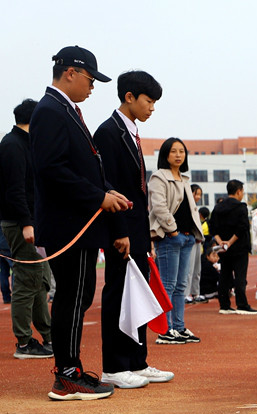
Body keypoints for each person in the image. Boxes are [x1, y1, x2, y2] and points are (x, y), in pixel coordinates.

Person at [31, 46, 131, 400]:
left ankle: (70, 368)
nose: (93, 88)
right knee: (73, 297)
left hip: (80, 222)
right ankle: (67, 375)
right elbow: (52, 168)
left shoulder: (65, 110)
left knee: (79, 295)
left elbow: (84, 166)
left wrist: (108, 192)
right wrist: (98, 197)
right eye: (91, 79)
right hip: (67, 224)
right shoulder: (50, 111)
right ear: (71, 72)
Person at [94, 70, 174, 387]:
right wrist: (119, 231)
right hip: (121, 231)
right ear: (129, 97)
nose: (152, 107)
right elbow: (109, 186)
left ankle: (137, 362)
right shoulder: (108, 133)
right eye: (149, 101)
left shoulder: (131, 131)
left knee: (138, 295)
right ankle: (114, 367)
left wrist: (144, 235)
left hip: (138, 231)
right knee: (118, 294)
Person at [0, 98, 53, 359]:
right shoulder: (12, 145)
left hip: (32, 222)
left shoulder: (26, 144)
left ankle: (48, 335)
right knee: (25, 281)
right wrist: (27, 223)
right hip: (21, 223)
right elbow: (15, 190)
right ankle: (23, 342)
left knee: (39, 281)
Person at [148, 137, 204, 343]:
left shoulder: (184, 179)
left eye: (182, 151)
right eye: (173, 151)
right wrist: (173, 231)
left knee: (182, 286)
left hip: (187, 238)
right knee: (168, 285)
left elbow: (191, 209)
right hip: (170, 238)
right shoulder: (158, 177)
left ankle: (179, 327)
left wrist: (194, 234)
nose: (179, 155)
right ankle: (165, 329)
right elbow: (159, 207)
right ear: (165, 154)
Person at [209, 180, 257, 315]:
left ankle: (224, 305)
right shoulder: (241, 207)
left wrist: (221, 243)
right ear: (238, 191)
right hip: (239, 247)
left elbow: (212, 227)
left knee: (224, 275)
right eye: (242, 191)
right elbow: (242, 227)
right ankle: (242, 304)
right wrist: (230, 242)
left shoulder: (218, 207)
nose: (242, 194)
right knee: (240, 276)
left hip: (224, 249)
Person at [185, 184, 205, 304]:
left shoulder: (195, 208)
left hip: (198, 241)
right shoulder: (187, 206)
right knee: (189, 269)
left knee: (197, 268)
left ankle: (195, 292)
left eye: (199, 195)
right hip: (191, 240)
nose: (198, 197)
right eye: (196, 194)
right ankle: (186, 294)